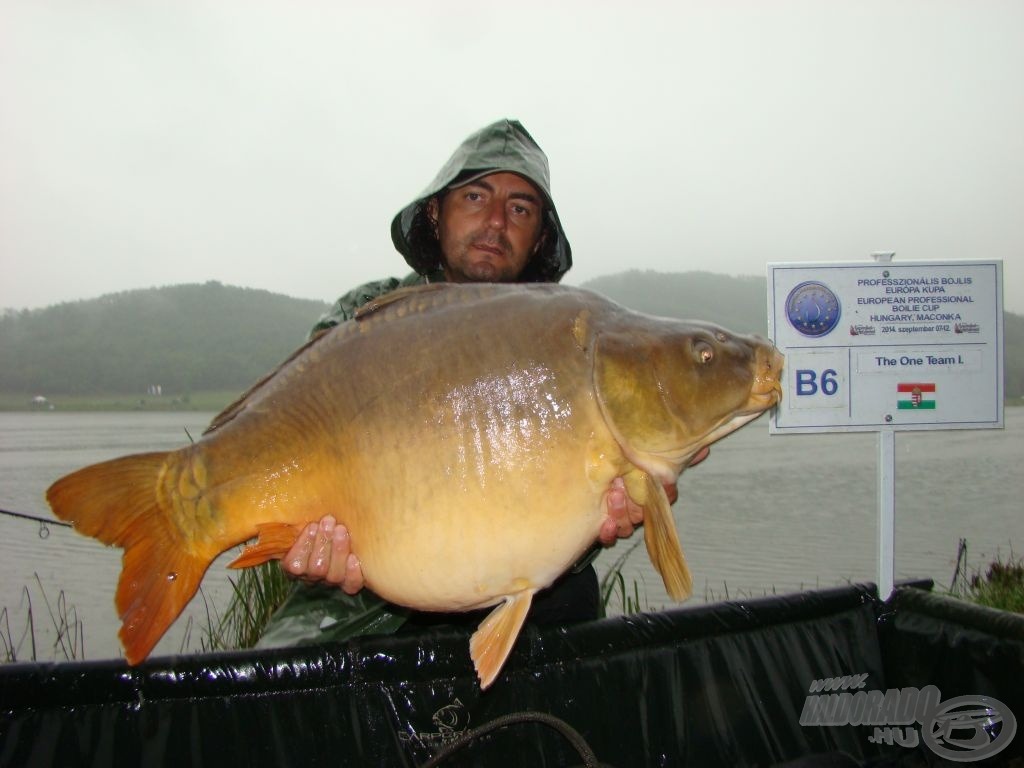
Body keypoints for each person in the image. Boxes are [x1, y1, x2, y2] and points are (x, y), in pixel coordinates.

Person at [257, 119, 697, 648]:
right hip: (364, 599)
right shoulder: (364, 319)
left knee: (576, 614)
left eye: (520, 209)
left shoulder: (571, 341)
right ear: (435, 211)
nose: (494, 222)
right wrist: (305, 552)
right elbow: (285, 445)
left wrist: (598, 521)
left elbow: (562, 501)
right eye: (475, 196)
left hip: (530, 588)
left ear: (539, 237)